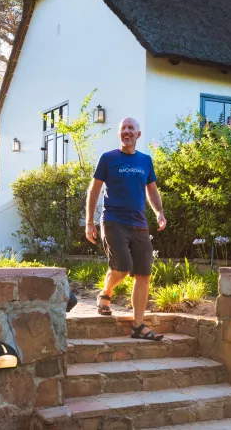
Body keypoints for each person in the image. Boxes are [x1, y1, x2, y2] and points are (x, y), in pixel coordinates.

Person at [85, 117, 167, 341]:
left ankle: (138, 326)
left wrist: (159, 212)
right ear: (119, 134)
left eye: (131, 128)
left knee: (143, 274)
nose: (126, 131)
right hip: (113, 220)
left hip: (139, 223)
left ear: (138, 134)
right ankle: (106, 291)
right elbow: (94, 190)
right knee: (122, 266)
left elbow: (152, 190)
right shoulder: (108, 158)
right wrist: (89, 222)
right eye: (123, 128)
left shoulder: (145, 161)